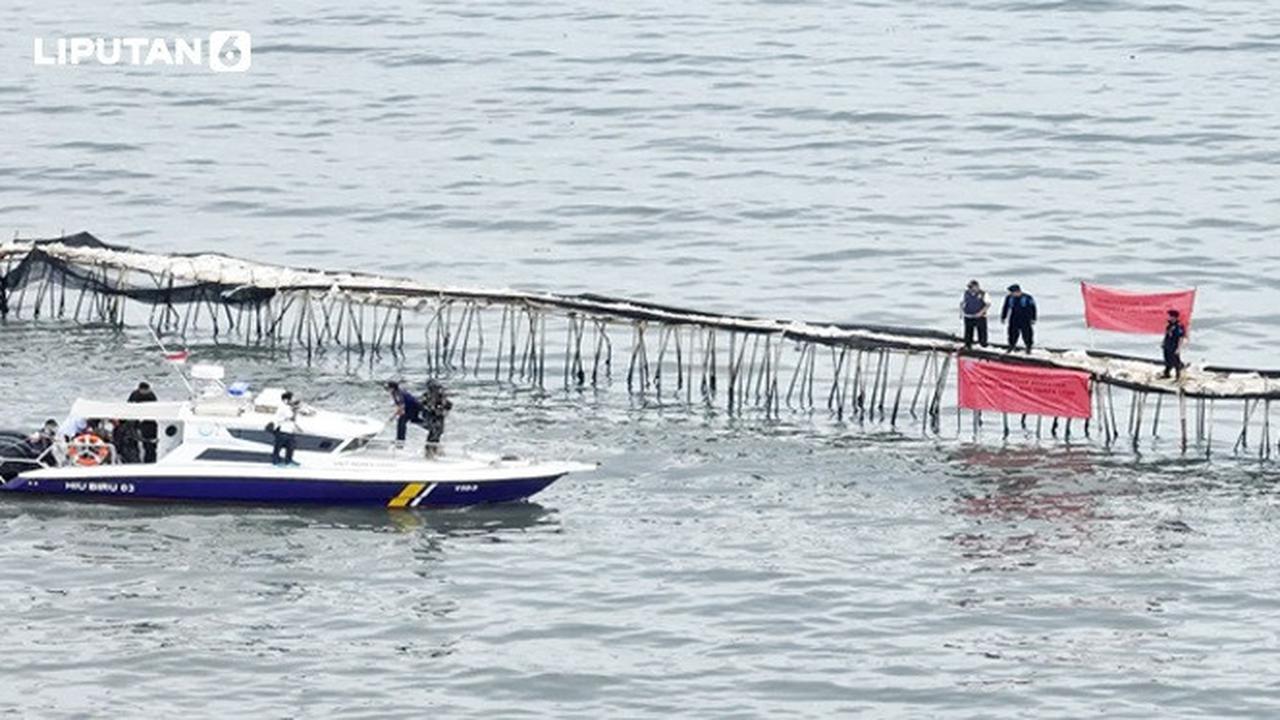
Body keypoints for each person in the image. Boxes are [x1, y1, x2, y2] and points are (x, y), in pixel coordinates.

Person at [127, 381, 159, 463]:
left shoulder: (151, 395)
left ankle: (149, 460)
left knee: (149, 446)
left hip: (149, 419)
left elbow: (155, 406)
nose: (148, 391)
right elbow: (129, 406)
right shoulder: (135, 394)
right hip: (136, 419)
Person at [1001, 284, 1037, 353]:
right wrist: (1003, 317)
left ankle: (1028, 347)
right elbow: (1005, 307)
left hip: (1025, 317)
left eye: (1012, 292)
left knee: (1027, 333)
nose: (1011, 294)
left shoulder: (1027, 297)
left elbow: (1033, 308)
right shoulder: (1009, 298)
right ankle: (1011, 346)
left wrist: (1033, 318)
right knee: (1012, 332)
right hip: (1014, 317)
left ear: (1017, 291)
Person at [386, 381, 425, 447]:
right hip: (412, 407)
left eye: (388, 388)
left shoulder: (397, 394)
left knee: (401, 422)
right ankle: (429, 426)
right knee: (413, 420)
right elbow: (400, 405)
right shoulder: (397, 392)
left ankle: (400, 442)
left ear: (392, 388)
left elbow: (401, 406)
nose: (387, 390)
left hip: (413, 408)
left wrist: (393, 417)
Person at [421, 380, 453, 458]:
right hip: (430, 416)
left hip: (440, 416)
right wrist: (430, 409)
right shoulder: (426, 395)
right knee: (433, 432)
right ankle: (429, 450)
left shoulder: (441, 395)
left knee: (439, 432)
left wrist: (444, 410)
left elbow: (449, 405)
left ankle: (434, 449)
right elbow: (422, 405)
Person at [271, 391, 301, 466]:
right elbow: (290, 416)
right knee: (278, 447)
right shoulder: (283, 408)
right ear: (286, 400)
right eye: (292, 399)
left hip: (289, 430)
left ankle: (288, 460)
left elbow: (293, 419)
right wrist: (294, 410)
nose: (293, 401)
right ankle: (276, 461)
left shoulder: (289, 407)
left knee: (291, 446)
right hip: (282, 430)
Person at [960, 280, 991, 348]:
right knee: (968, 332)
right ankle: (968, 345)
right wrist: (961, 312)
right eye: (969, 287)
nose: (970, 289)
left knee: (982, 332)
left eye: (972, 287)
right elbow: (962, 303)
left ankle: (983, 345)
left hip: (980, 316)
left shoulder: (983, 294)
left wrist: (981, 312)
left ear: (977, 286)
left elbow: (988, 304)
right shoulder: (966, 293)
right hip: (968, 315)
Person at [1161, 309, 1187, 379]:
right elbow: (1167, 335)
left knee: (1175, 361)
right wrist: (1163, 342)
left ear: (1174, 317)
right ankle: (1166, 374)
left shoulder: (1179, 326)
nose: (1169, 317)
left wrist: (1178, 348)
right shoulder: (1169, 325)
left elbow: (1180, 338)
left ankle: (1178, 375)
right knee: (1167, 360)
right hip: (1167, 345)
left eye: (1170, 316)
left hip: (1174, 346)